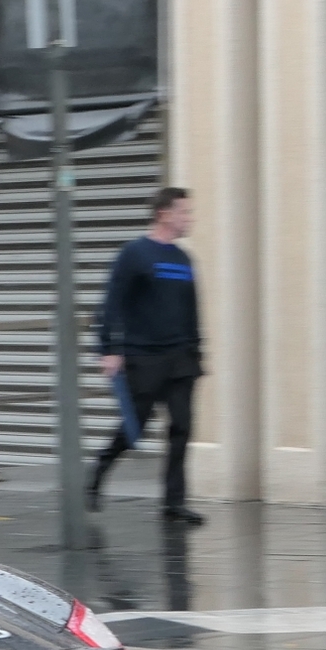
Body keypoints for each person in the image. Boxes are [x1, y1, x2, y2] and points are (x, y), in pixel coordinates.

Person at [90, 186, 204, 525]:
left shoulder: (184, 259)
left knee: (181, 427)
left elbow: (191, 310)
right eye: (184, 212)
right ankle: (100, 468)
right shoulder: (135, 254)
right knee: (134, 426)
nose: (189, 218)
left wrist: (197, 351)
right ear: (164, 214)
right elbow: (112, 303)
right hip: (145, 357)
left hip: (181, 357)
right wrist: (108, 349)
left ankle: (174, 503)